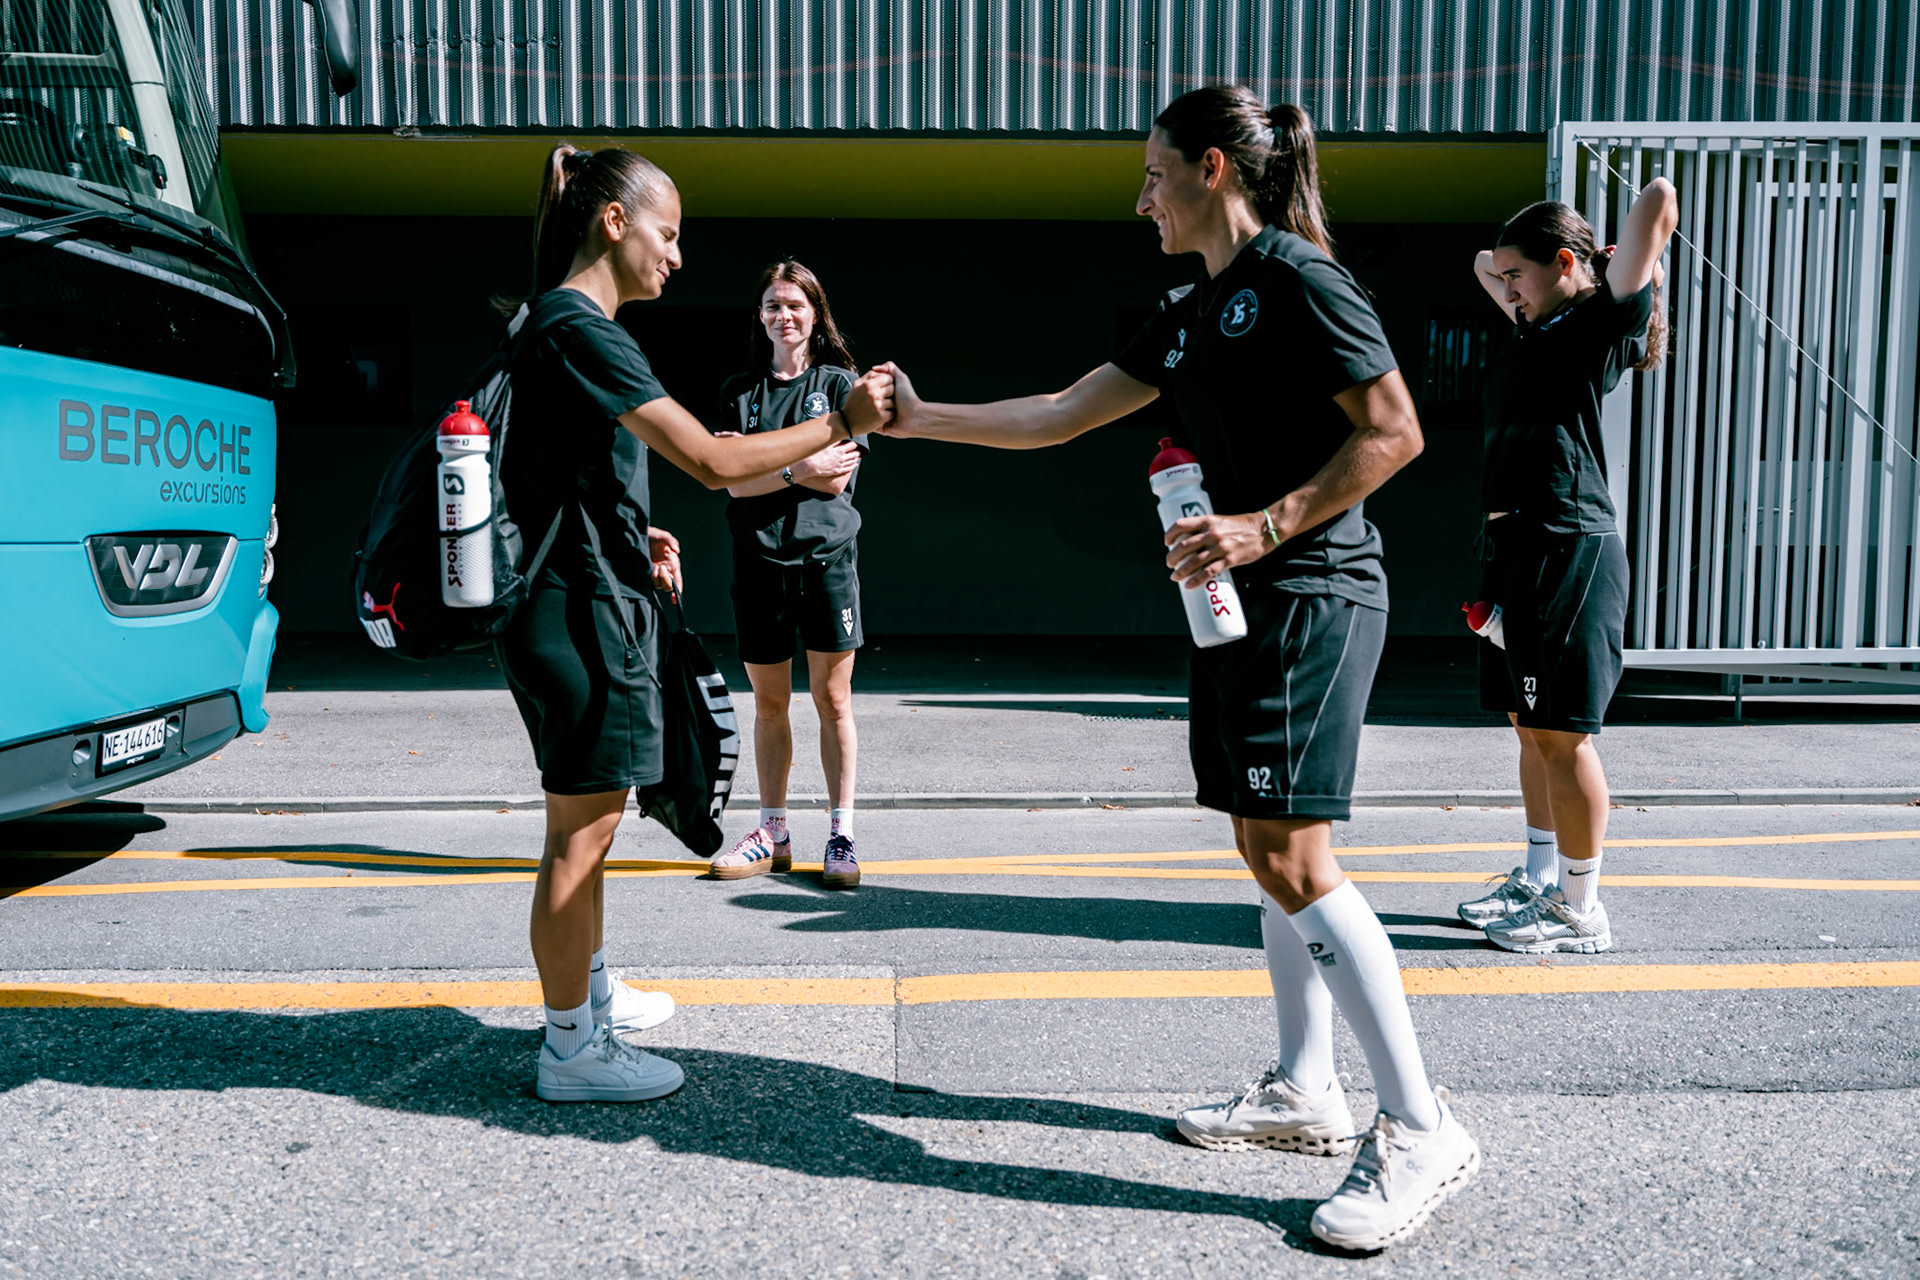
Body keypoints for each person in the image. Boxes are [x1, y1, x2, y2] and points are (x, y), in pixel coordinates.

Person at [873, 86, 1477, 1252]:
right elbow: (1058, 413)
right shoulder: (1193, 311)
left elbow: (1396, 427)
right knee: (1262, 841)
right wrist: (919, 417)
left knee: (1294, 852)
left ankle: (1420, 1123)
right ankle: (1306, 1086)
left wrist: (1266, 523)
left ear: (1213, 168)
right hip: (1241, 603)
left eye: (1153, 174)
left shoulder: (1300, 278)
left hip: (1314, 590)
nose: (1139, 198)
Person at [497, 144, 891, 1103]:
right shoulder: (580, 327)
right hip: (575, 613)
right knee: (580, 835)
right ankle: (570, 1050)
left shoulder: (564, 324)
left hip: (589, 594)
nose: (677, 256)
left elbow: (557, 471)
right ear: (615, 222)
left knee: (592, 827)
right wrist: (842, 419)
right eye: (667, 234)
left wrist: (633, 529)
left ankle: (589, 995)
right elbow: (712, 461)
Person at [1456, 182, 1677, 955]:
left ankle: (1582, 908)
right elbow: (1483, 261)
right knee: (1530, 728)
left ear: (1562, 264)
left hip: (1568, 547)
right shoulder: (1536, 324)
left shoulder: (1597, 323)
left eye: (1520, 275)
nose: (1506, 287)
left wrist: (1606, 266)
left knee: (1563, 734)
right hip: (1515, 551)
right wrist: (1528, 270)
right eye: (1508, 280)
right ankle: (1540, 878)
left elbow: (1660, 198)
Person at [706, 261, 868, 890]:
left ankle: (841, 835)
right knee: (769, 704)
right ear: (761, 317)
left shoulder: (841, 386)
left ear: (815, 314)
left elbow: (837, 478)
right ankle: (772, 833)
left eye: (795, 305)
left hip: (827, 563)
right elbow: (728, 481)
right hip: (758, 565)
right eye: (773, 305)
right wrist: (799, 468)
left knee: (833, 700)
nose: (784, 316)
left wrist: (761, 470)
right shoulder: (738, 391)